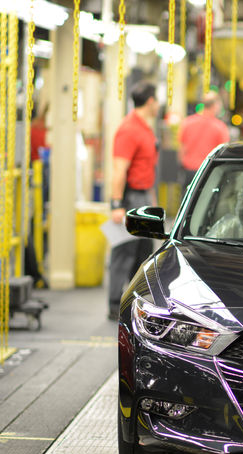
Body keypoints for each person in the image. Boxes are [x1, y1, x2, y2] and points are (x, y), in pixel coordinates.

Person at [108, 81, 161, 321]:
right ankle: (113, 305)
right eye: (157, 101)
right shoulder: (129, 129)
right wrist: (116, 204)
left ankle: (134, 304)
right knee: (125, 253)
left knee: (143, 253)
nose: (158, 105)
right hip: (130, 198)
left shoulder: (144, 128)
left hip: (143, 196)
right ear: (150, 101)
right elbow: (119, 169)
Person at [179, 91, 230, 192]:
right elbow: (223, 154)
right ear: (215, 105)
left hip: (189, 173)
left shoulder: (187, 123)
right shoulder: (220, 127)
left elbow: (181, 150)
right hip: (208, 173)